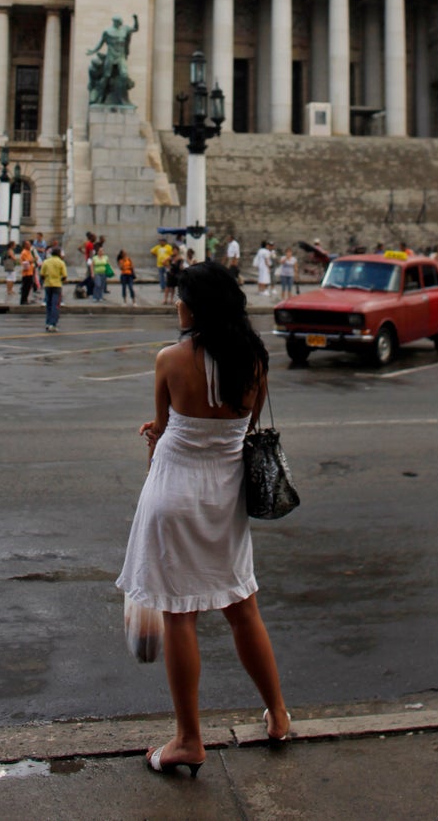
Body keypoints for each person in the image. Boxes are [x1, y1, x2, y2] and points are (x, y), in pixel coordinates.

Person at [116, 261, 291, 776]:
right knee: (243, 606)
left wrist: (157, 438)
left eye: (180, 297)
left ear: (194, 306)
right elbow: (241, 428)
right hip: (225, 495)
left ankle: (189, 739)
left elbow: (168, 429)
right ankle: (278, 715)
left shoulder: (170, 358)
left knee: (179, 617)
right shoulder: (255, 360)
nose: (176, 304)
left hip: (175, 493)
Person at [41, 244, 67, 331]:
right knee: (55, 305)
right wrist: (60, 280)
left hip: (48, 285)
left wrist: (46, 280)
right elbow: (64, 275)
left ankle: (47, 323)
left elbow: (42, 274)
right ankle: (53, 324)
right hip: (57, 285)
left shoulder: (46, 262)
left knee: (48, 304)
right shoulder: (61, 262)